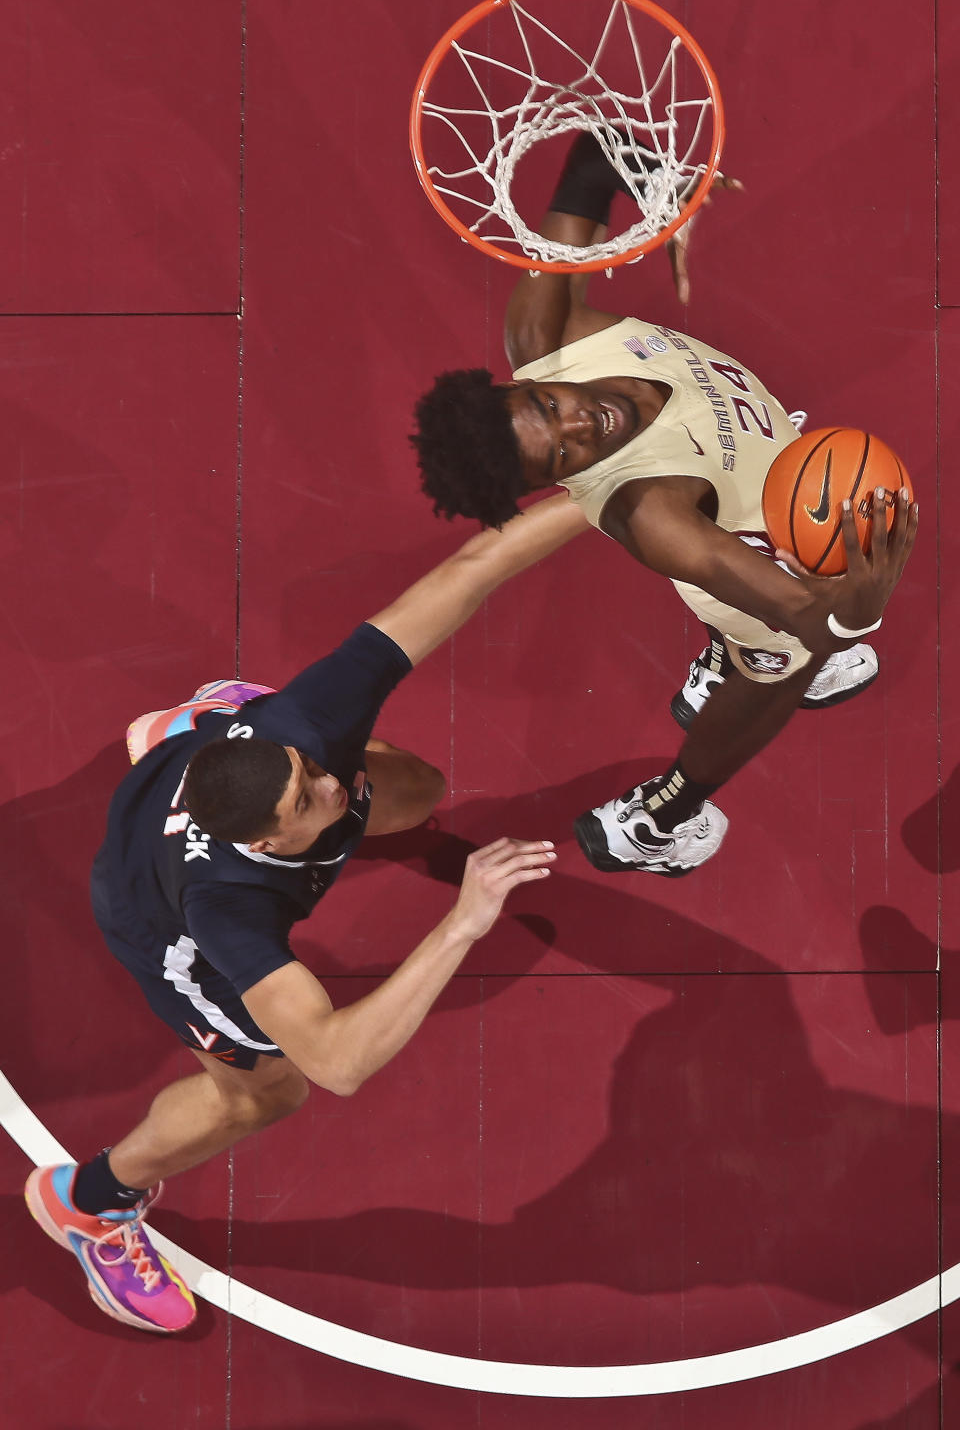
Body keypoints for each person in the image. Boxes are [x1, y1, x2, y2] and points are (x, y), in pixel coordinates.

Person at [24, 493, 587, 1335]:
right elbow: (339, 1061)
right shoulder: (226, 916)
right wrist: (464, 921)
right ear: (273, 835)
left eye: (303, 768)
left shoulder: (298, 729)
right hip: (157, 915)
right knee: (268, 1093)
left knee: (411, 791)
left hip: (221, 761)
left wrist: (607, 492)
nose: (330, 778)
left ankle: (204, 725)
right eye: (307, 793)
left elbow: (475, 567)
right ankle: (91, 1204)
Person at [411, 133, 918, 878]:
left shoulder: (543, 332)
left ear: (523, 379)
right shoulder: (651, 510)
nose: (583, 425)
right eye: (562, 456)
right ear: (552, 479)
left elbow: (588, 162)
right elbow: (813, 616)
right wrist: (860, 607)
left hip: (766, 475)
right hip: (769, 571)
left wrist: (657, 177)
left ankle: (722, 657)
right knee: (788, 662)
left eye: (551, 407)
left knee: (768, 635)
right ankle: (661, 818)